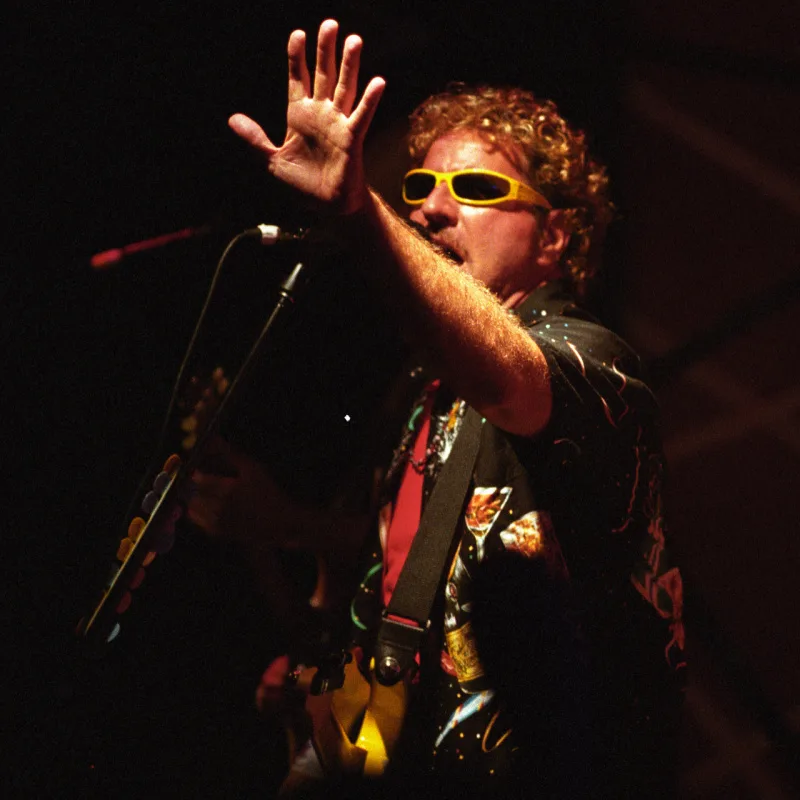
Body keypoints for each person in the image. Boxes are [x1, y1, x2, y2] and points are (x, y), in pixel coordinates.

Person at [190, 18, 686, 799]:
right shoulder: (422, 399)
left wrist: (361, 212)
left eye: (478, 188)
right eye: (418, 188)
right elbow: (377, 604)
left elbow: (512, 374)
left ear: (553, 237)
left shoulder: (595, 361)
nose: (432, 208)